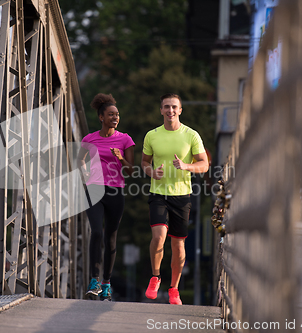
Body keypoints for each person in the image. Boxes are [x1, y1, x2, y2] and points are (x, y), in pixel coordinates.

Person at [141, 93, 209, 305]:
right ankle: (155, 277)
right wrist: (152, 172)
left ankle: (174, 289)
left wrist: (187, 166)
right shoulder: (152, 135)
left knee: (178, 246)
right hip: (159, 193)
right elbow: (144, 162)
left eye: (174, 107)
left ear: (180, 110)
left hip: (182, 195)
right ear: (160, 110)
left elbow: (204, 164)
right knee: (159, 236)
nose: (170, 111)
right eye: (166, 107)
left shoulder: (191, 135)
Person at [78, 93, 135, 301]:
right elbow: (79, 161)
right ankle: (94, 280)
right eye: (111, 114)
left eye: (117, 115)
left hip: (115, 191)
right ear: (101, 117)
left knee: (111, 237)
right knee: (96, 232)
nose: (115, 117)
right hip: (94, 189)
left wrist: (120, 158)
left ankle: (106, 284)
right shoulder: (89, 139)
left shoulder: (125, 139)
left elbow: (130, 171)